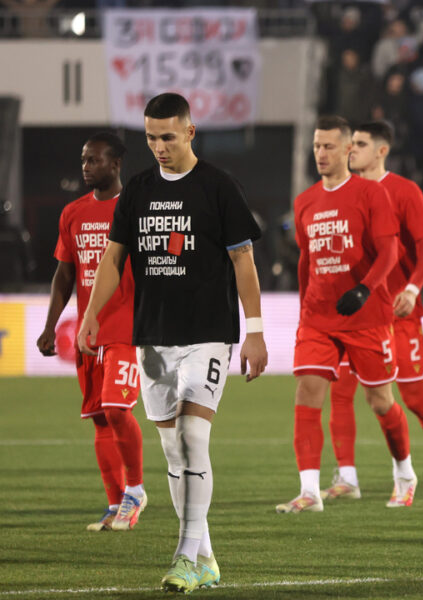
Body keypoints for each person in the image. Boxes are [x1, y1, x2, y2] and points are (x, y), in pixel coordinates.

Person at [78, 93, 268, 592]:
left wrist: (255, 331)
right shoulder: (137, 191)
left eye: (167, 136)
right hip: (153, 337)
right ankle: (205, 558)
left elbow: (243, 261)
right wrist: (91, 315)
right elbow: (113, 260)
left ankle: (184, 556)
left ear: (190, 132)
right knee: (171, 449)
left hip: (207, 336)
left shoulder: (218, 188)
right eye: (150, 137)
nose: (158, 146)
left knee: (191, 437)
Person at [277, 115, 415, 514]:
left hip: (367, 315)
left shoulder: (371, 194)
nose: (320, 153)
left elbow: (389, 251)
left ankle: (404, 474)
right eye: (317, 146)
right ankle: (309, 491)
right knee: (307, 394)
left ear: (347, 151)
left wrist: (365, 289)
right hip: (319, 318)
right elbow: (307, 261)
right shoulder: (305, 201)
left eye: (329, 146)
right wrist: (305, 308)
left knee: (380, 400)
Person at [321, 120, 423, 502]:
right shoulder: (338, 192)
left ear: (382, 150)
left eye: (360, 144)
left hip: (398, 311)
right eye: (351, 144)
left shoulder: (403, 191)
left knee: (412, 397)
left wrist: (412, 289)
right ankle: (347, 476)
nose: (351, 150)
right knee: (342, 393)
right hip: (356, 315)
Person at [37, 132, 146, 532]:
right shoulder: (73, 213)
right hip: (90, 332)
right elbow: (65, 273)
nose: (86, 167)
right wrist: (50, 325)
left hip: (127, 328)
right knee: (100, 417)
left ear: (116, 164)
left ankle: (135, 491)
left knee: (118, 408)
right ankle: (115, 504)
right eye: (84, 160)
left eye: (94, 160)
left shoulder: (135, 208)